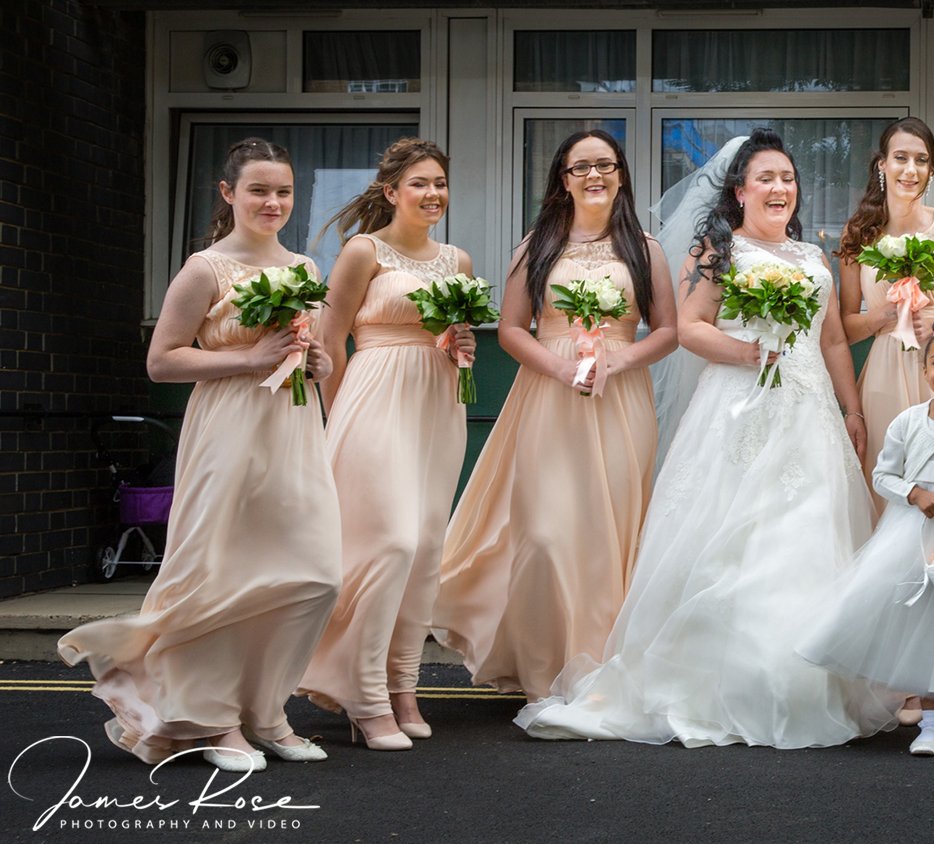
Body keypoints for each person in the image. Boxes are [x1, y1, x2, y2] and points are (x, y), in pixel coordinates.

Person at [515, 129, 899, 748]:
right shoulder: (718, 250)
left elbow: (830, 340)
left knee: (806, 535)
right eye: (766, 179)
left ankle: (801, 681)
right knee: (730, 537)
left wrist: (852, 410)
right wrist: (746, 351)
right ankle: (721, 680)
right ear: (741, 190)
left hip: (809, 412)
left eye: (788, 179)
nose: (780, 189)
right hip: (736, 408)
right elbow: (689, 329)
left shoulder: (813, 259)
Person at [59, 138, 340, 772]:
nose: (273, 202)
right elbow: (161, 361)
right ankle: (216, 720)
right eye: (259, 190)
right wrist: (248, 358)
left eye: (284, 191)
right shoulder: (204, 269)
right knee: (220, 573)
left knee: (315, 575)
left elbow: (306, 351)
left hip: (295, 426)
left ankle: (266, 710)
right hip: (228, 428)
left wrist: (316, 363)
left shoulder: (306, 267)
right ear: (228, 194)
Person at [431, 131, 676, 701]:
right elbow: (513, 329)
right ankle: (544, 670)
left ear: (621, 175)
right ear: (563, 179)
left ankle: (596, 669)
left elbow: (668, 331)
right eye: (581, 167)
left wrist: (621, 357)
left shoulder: (646, 249)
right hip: (547, 391)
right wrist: (561, 369)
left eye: (605, 166)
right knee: (544, 533)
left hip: (620, 397)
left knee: (608, 532)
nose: (595, 176)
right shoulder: (535, 244)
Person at [297, 139, 475, 751]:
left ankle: (403, 684)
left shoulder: (458, 261)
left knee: (425, 551)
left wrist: (460, 346)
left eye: (440, 183)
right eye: (420, 183)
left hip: (438, 409)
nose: (433, 194)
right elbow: (331, 340)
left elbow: (454, 336)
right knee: (390, 544)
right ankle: (363, 692)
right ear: (390, 191)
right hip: (373, 401)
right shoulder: (363, 251)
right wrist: (339, 413)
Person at [798, 315, 934, 758]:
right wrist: (914, 492)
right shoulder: (908, 422)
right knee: (923, 628)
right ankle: (930, 720)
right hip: (912, 536)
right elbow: (883, 476)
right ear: (924, 370)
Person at [836, 118, 934, 516]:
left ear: (932, 169)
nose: (911, 170)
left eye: (922, 161)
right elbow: (845, 328)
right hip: (887, 368)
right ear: (882, 164)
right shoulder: (857, 235)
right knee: (891, 477)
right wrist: (879, 316)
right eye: (901, 158)